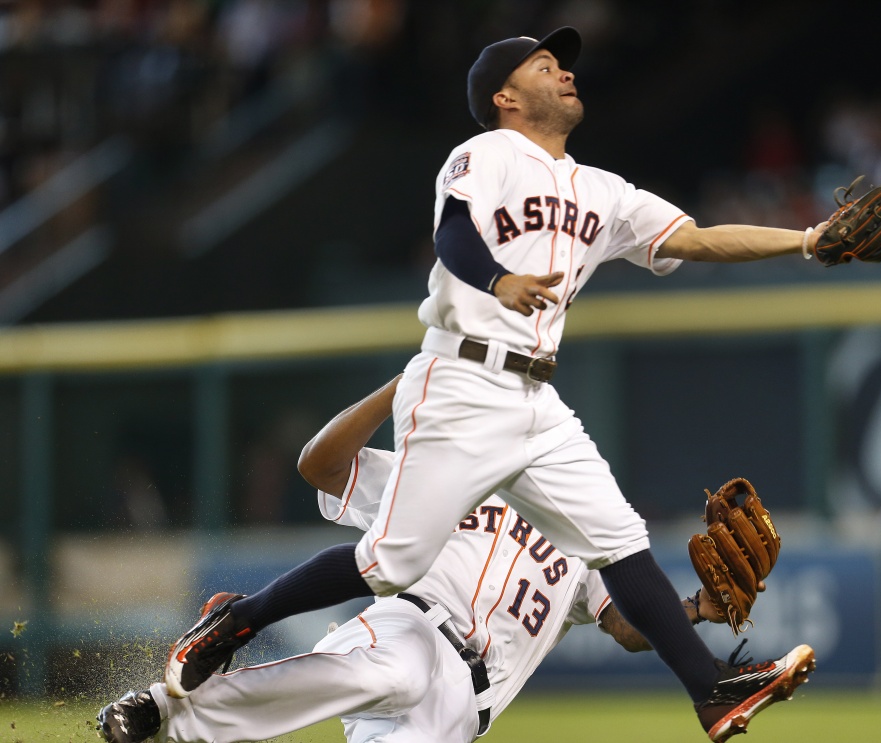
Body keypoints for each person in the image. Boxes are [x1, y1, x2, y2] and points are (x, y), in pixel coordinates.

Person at [160, 27, 821, 741]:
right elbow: (454, 233)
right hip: (465, 376)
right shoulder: (487, 153)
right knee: (389, 562)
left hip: (537, 399)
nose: (564, 72)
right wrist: (498, 278)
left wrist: (811, 240)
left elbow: (699, 236)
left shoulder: (601, 192)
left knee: (619, 539)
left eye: (563, 64)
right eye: (545, 65)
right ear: (506, 96)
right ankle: (237, 620)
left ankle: (713, 689)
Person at [97, 376, 804, 743]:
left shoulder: (587, 535)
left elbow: (624, 627)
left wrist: (695, 613)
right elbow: (319, 466)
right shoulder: (449, 471)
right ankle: (159, 711)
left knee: (399, 683)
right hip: (409, 623)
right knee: (382, 662)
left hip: (464, 705)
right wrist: (404, 386)